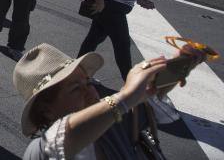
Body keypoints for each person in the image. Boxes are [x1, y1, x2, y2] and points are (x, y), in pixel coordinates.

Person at [16, 43, 207, 160]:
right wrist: (127, 96)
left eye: (88, 82)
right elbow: (63, 136)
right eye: (75, 88)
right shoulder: (40, 152)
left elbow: (151, 92)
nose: (90, 91)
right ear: (47, 110)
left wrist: (178, 66)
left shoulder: (112, 124)